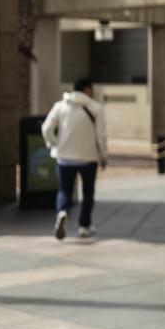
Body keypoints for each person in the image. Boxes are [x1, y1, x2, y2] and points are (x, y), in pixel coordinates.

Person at [41, 77, 108, 240]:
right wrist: (103, 156)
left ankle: (63, 211)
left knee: (65, 190)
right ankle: (84, 226)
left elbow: (46, 128)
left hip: (64, 157)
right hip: (88, 157)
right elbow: (101, 136)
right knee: (88, 192)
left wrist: (53, 143)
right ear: (86, 89)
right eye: (91, 89)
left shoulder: (60, 106)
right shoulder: (96, 108)